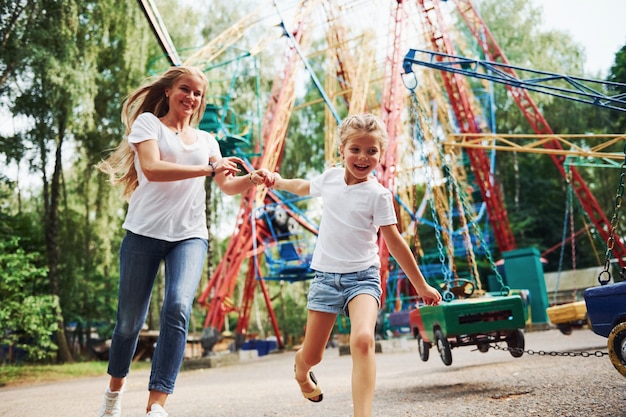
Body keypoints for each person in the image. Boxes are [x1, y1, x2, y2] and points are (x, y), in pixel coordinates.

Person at [96, 66, 270, 417]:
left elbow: (225, 184)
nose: (191, 97)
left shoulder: (207, 141)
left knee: (177, 307)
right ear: (168, 91)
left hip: (189, 236)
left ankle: (156, 406)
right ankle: (113, 396)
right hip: (143, 233)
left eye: (198, 93)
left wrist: (251, 179)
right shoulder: (149, 125)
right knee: (129, 323)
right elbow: (153, 169)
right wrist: (208, 169)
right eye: (185, 89)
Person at [265, 113, 442, 417]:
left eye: (372, 151)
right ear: (342, 150)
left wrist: (421, 284)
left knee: (362, 340)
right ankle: (301, 370)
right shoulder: (332, 178)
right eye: (355, 149)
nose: (363, 157)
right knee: (313, 355)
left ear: (380, 155)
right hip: (326, 279)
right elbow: (303, 186)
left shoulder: (379, 195)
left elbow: (395, 242)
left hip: (363, 278)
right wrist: (276, 180)